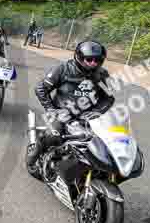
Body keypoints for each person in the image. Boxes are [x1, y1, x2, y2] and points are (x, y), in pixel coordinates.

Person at [26, 41, 116, 169]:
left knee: (104, 142)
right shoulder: (63, 69)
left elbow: (109, 98)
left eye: (97, 60)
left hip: (86, 117)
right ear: (79, 57)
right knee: (52, 135)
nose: (92, 63)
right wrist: (51, 109)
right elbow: (41, 88)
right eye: (88, 59)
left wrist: (97, 111)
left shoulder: (102, 74)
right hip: (62, 113)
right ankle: (33, 156)